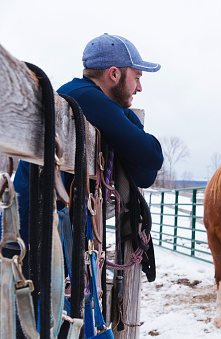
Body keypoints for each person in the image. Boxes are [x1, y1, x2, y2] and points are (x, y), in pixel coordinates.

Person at [12, 33, 164, 246]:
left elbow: (144, 176)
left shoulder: (89, 100)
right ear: (114, 74)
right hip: (30, 244)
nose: (139, 87)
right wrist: (126, 114)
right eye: (137, 77)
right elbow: (152, 157)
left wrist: (122, 113)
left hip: (49, 238)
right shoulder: (84, 97)